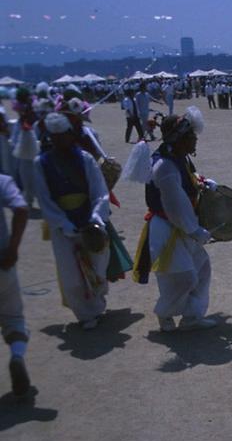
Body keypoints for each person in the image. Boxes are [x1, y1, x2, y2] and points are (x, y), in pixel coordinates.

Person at [131, 107, 216, 331]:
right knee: (181, 276)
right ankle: (165, 314)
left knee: (201, 268)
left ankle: (192, 316)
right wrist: (196, 231)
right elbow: (175, 207)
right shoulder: (165, 166)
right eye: (191, 137)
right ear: (179, 139)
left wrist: (203, 182)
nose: (195, 141)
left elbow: (189, 180)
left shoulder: (179, 157)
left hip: (183, 226)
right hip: (169, 228)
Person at [33, 112, 110, 330]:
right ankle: (86, 314)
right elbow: (44, 199)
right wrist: (63, 223)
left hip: (90, 220)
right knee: (71, 274)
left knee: (98, 267)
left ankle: (97, 304)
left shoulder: (84, 159)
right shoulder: (42, 163)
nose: (60, 141)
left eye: (63, 136)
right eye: (54, 137)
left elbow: (99, 191)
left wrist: (95, 217)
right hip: (62, 225)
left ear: (70, 134)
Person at [0, 173, 31, 397]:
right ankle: (17, 356)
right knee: (13, 318)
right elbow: (21, 208)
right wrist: (13, 249)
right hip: (2, 264)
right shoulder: (2, 181)